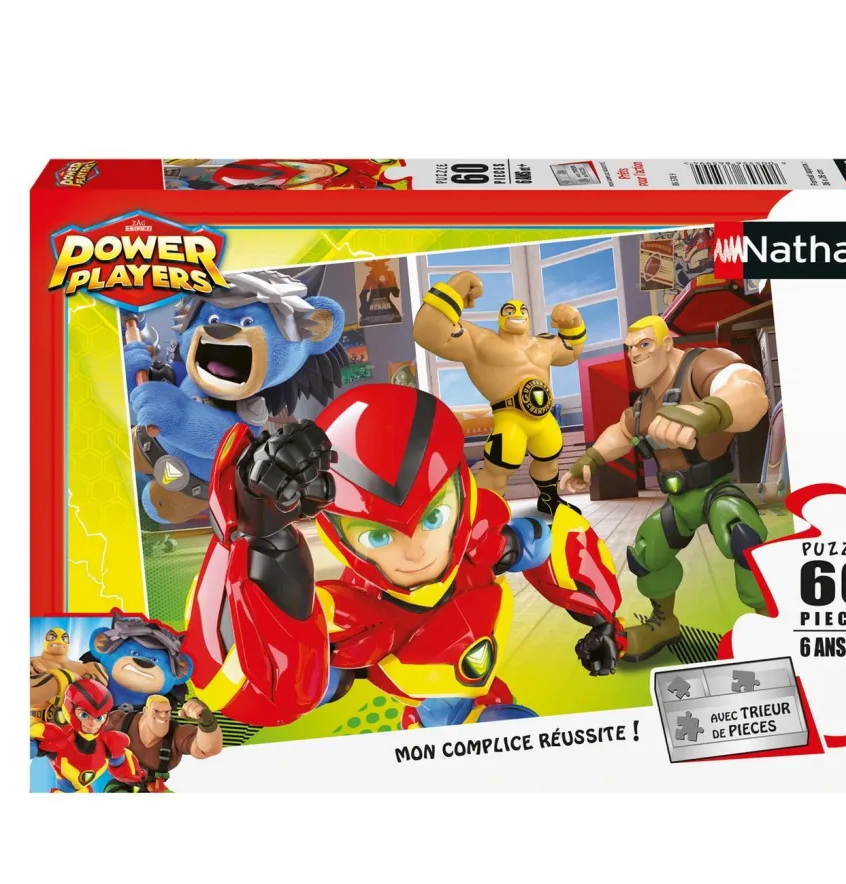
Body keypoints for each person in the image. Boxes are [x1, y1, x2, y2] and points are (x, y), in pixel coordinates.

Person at [182, 385, 626, 729]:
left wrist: (603, 618)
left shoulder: (481, 540)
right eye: (378, 536)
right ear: (339, 534)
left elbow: (551, 539)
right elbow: (246, 687)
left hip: (488, 694)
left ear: (460, 493)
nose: (415, 550)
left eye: (434, 516)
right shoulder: (360, 618)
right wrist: (257, 543)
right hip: (437, 719)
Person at [561, 315, 770, 661]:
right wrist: (590, 460)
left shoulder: (700, 367)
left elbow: (748, 387)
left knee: (743, 537)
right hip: (679, 501)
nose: (635, 354)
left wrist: (708, 411)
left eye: (645, 344)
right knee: (647, 553)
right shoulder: (644, 403)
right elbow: (621, 432)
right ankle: (664, 622)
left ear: (667, 344)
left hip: (715, 491)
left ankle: (768, 623)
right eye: (629, 348)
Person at [413, 271, 587, 515]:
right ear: (500, 317)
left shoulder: (544, 344)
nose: (517, 313)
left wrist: (574, 321)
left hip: (543, 419)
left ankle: (549, 499)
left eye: (522, 310)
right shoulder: (481, 340)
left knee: (549, 459)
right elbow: (427, 333)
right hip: (509, 419)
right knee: (499, 468)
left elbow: (572, 350)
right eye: (509, 310)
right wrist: (458, 286)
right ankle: (482, 512)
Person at [104, 696, 223, 792]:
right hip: (116, 781)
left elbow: (207, 749)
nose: (163, 716)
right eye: (157, 711)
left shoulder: (176, 735)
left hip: (154, 787)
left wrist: (207, 721)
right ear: (146, 711)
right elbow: (94, 729)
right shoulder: (119, 722)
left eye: (167, 712)